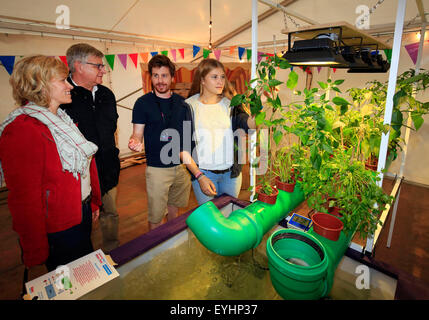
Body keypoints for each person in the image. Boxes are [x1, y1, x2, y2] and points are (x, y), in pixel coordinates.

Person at [0, 55, 102, 272]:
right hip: (59, 226)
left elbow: (84, 166)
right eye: (62, 80)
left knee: (85, 272)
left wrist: (92, 202)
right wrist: (35, 247)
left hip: (79, 212)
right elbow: (24, 198)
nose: (69, 86)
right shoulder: (23, 129)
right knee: (70, 282)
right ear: (40, 85)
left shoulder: (62, 121)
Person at [60, 43, 120, 253]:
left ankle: (113, 253)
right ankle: (85, 262)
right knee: (81, 223)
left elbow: (111, 127)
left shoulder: (106, 94)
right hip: (79, 176)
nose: (103, 70)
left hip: (108, 168)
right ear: (79, 66)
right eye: (98, 66)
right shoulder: (62, 97)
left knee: (110, 213)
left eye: (103, 66)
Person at [180, 58, 256, 205]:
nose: (220, 81)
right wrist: (199, 177)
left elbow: (249, 125)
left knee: (229, 217)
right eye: (214, 77)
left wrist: (257, 110)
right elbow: (183, 149)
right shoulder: (189, 106)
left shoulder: (231, 104)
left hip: (231, 175)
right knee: (209, 222)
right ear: (202, 80)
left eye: (222, 77)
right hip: (204, 174)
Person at [129, 54, 191, 230]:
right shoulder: (142, 103)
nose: (160, 80)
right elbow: (137, 134)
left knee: (174, 208)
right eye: (155, 76)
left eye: (164, 75)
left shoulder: (182, 103)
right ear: (151, 77)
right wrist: (134, 142)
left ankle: (171, 241)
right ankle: (155, 251)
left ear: (172, 78)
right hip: (157, 168)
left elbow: (187, 133)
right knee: (156, 216)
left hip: (180, 167)